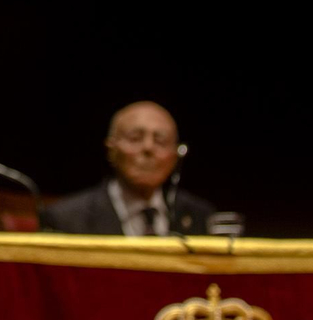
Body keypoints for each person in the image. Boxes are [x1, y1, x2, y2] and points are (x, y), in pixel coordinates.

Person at [38, 101, 215, 236]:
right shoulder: (65, 220)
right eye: (135, 138)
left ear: (175, 156)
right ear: (111, 150)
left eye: (160, 141)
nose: (148, 148)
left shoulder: (201, 217)